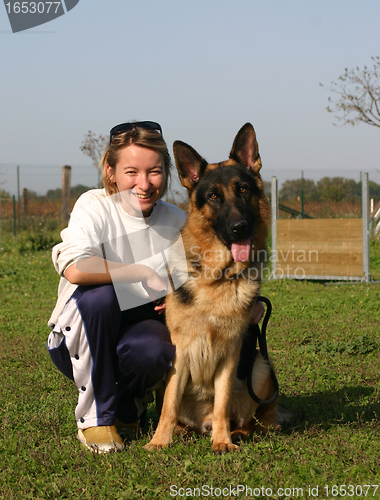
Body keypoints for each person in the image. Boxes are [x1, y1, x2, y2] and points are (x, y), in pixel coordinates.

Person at [47, 120, 265, 454]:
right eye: (131, 171)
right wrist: (142, 273)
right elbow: (75, 270)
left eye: (154, 172)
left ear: (168, 174)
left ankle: (128, 407)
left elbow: (212, 270)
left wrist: (250, 301)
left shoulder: (178, 220)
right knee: (99, 298)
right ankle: (96, 420)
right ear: (110, 172)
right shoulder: (93, 207)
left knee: (158, 348)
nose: (144, 184)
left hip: (133, 334)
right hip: (80, 335)